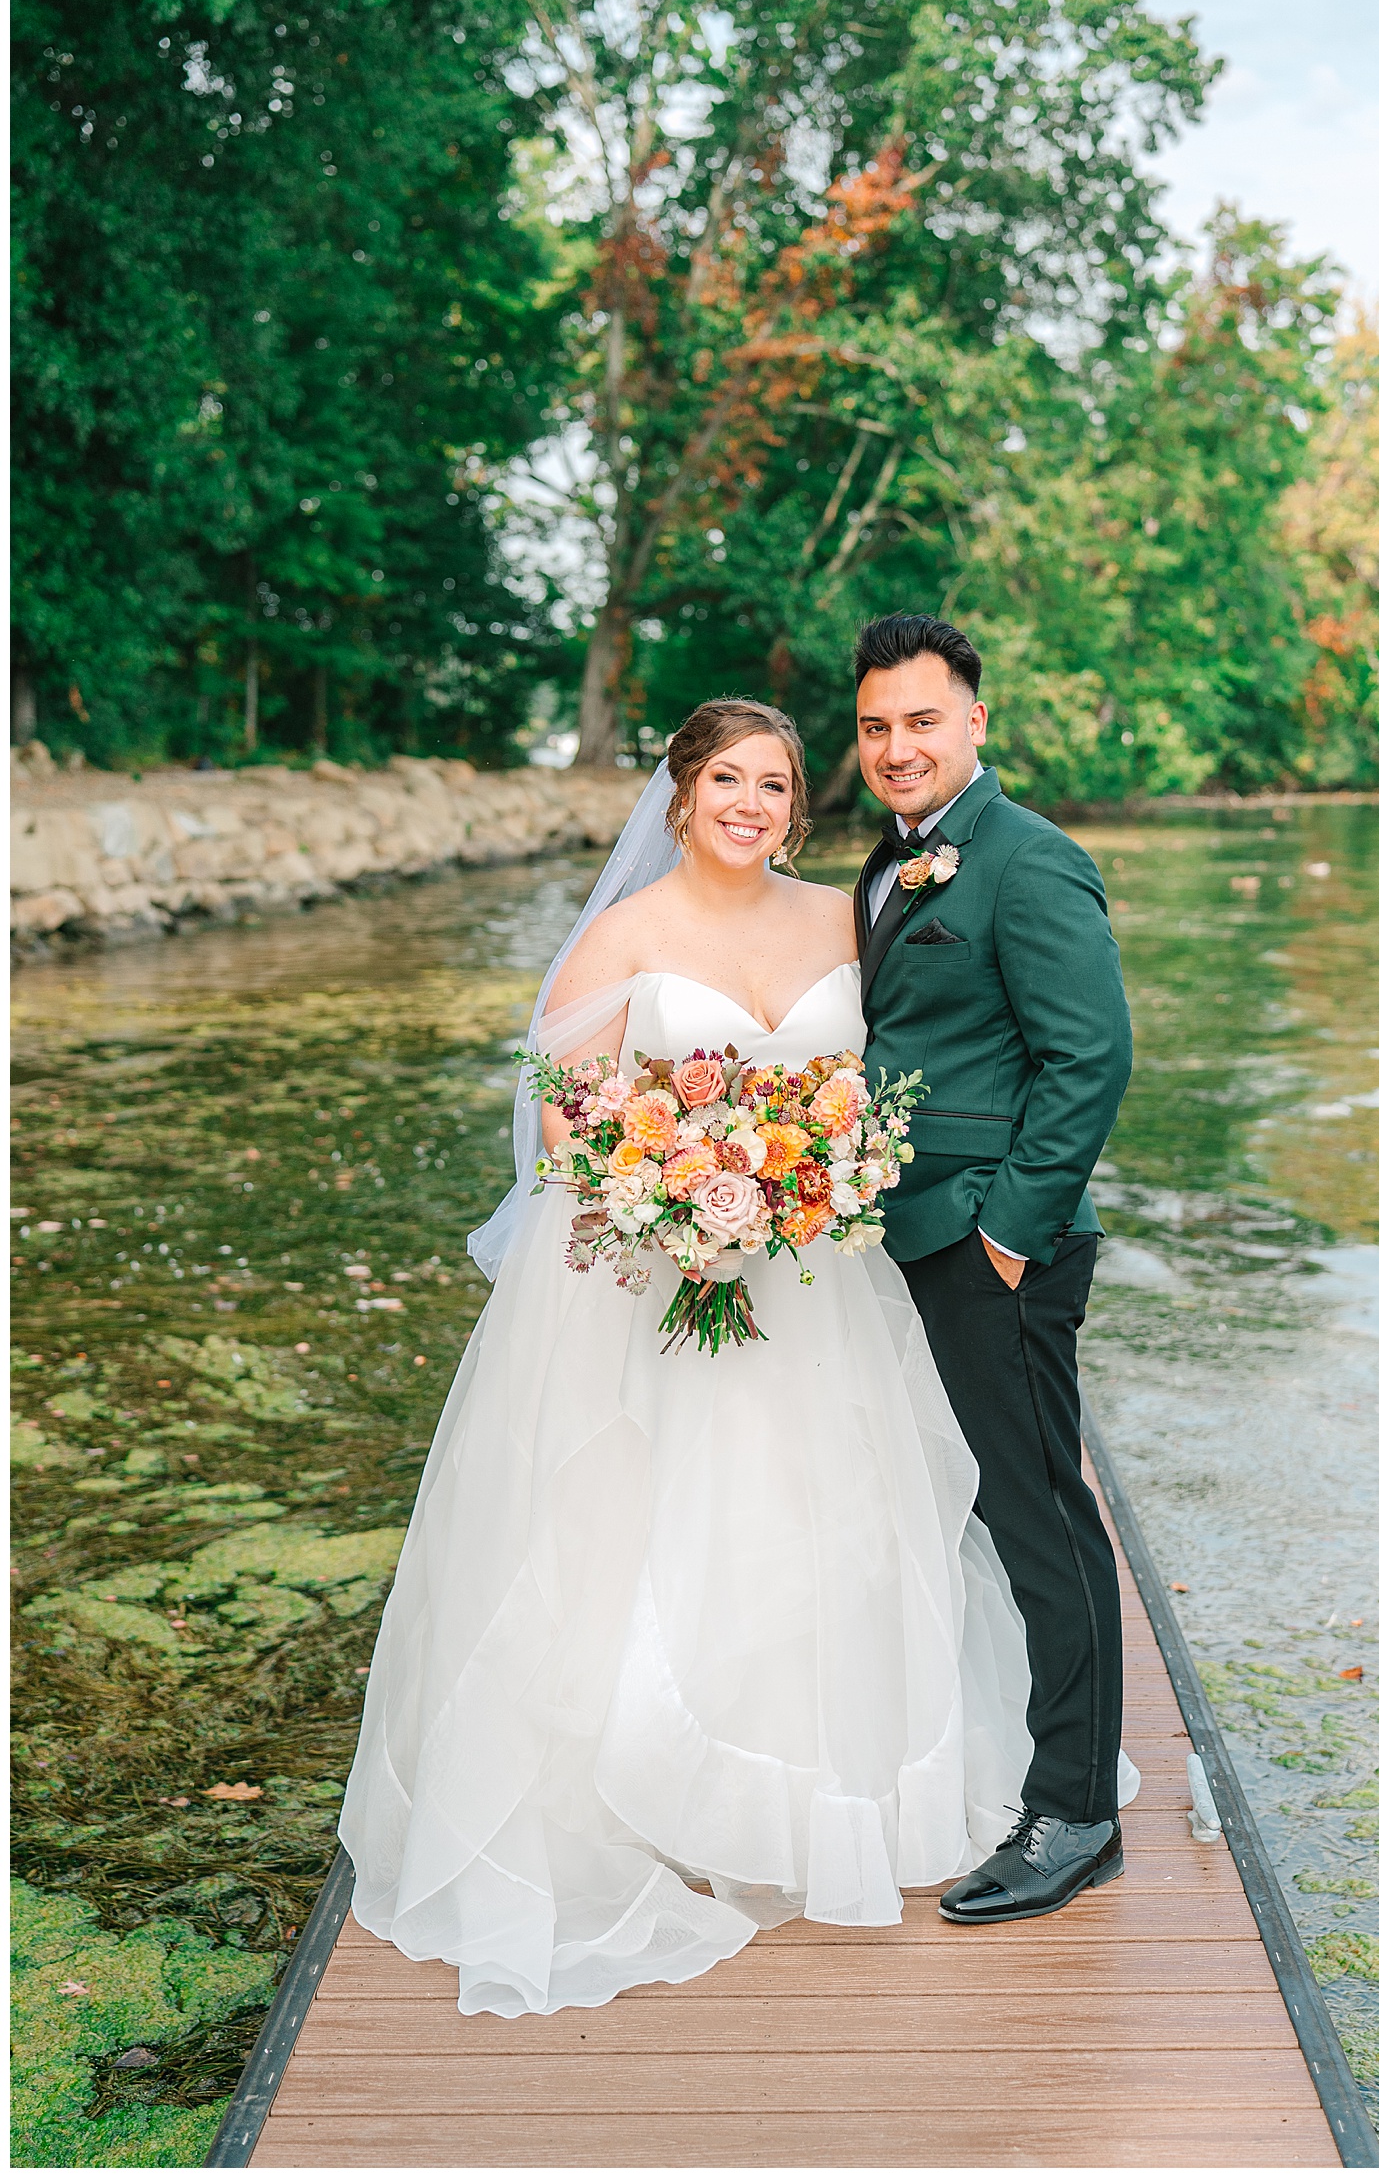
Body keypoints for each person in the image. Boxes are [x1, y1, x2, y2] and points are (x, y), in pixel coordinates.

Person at [339, 696, 1088, 2018]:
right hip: (670, 1280)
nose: (751, 803)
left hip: (821, 1273)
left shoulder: (843, 916)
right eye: (729, 779)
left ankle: (829, 1788)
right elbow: (566, 1118)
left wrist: (818, 1180)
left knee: (837, 1516)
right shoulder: (625, 935)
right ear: (682, 793)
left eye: (775, 783)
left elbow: (888, 1072)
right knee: (674, 1518)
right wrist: (669, 1205)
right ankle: (661, 1788)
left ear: (797, 808)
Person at [852, 613, 1134, 1923]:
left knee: (1040, 1521)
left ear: (975, 719)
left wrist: (1010, 1234)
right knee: (977, 1511)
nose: (897, 747)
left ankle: (1075, 1814)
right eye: (876, 727)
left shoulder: (1030, 859)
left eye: (922, 720)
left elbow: (1091, 1057)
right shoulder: (889, 862)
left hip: (993, 1246)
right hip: (908, 1234)